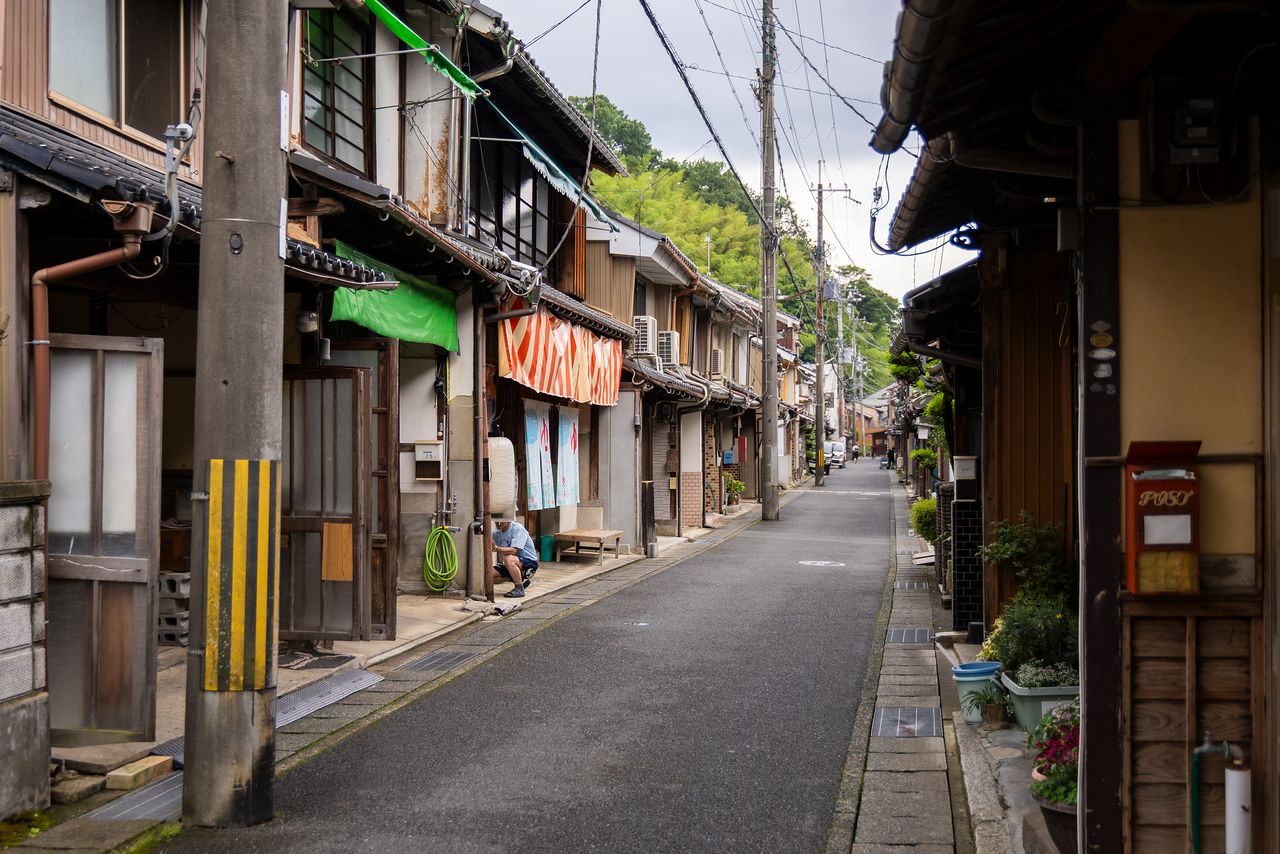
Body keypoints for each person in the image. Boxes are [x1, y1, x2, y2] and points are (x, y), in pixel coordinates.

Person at [491, 514, 539, 598]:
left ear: (509, 520)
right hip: (510, 565)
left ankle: (519, 588)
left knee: (508, 558)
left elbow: (513, 551)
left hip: (529, 565)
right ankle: (516, 578)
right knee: (488, 574)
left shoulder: (518, 528)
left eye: (501, 521)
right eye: (496, 520)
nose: (498, 523)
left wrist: (495, 548)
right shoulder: (496, 532)